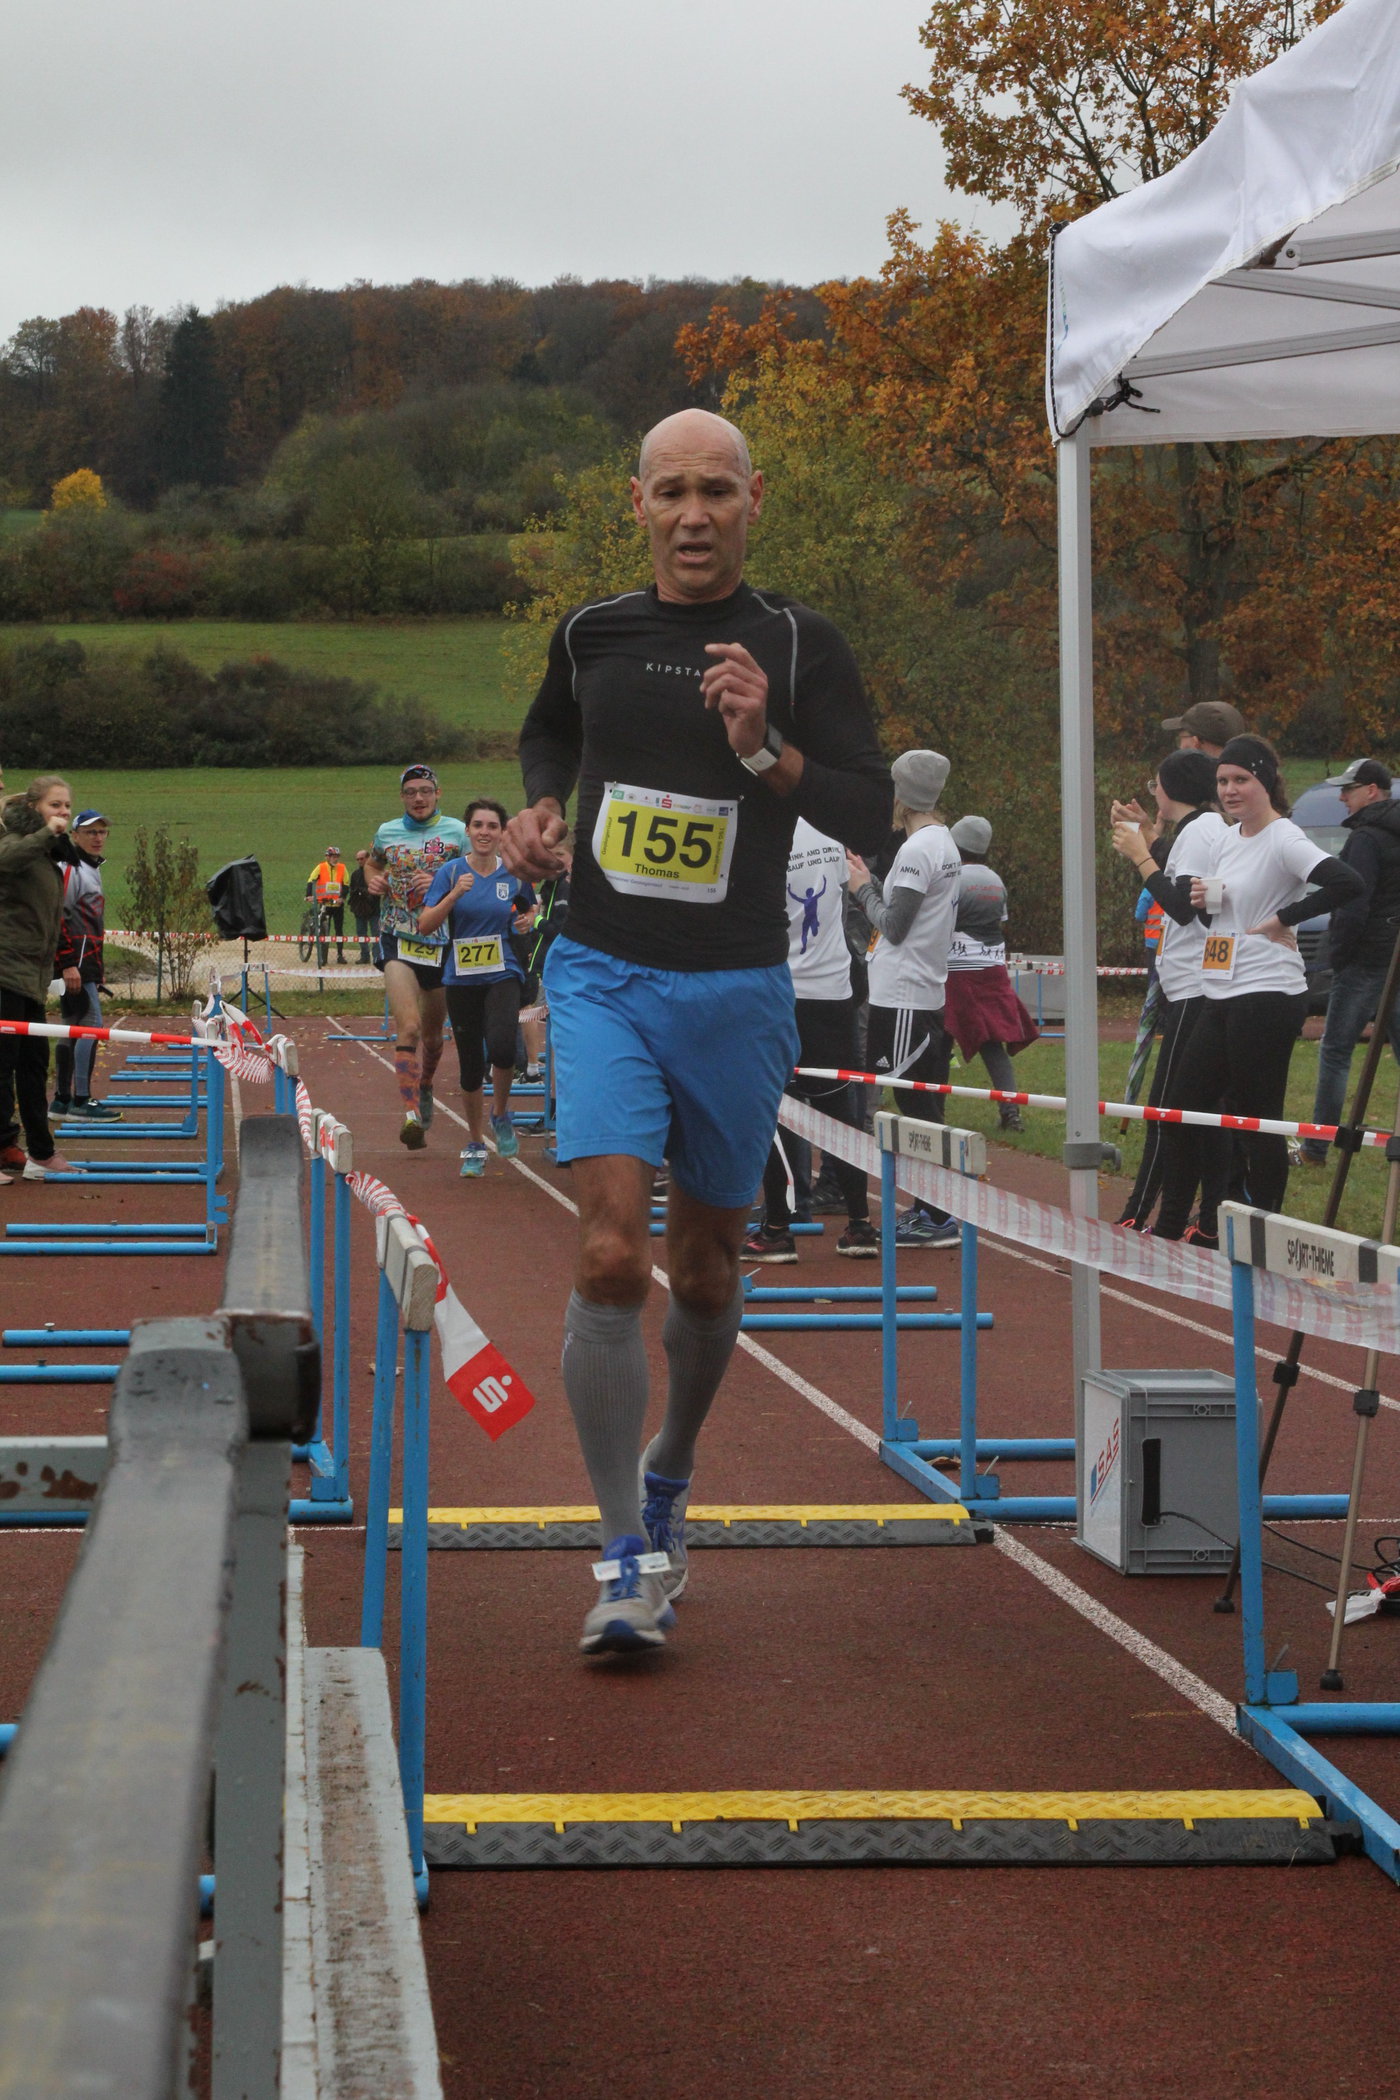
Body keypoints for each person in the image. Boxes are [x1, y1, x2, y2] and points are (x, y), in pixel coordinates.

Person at [501, 406, 891, 1655]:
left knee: (709, 1267)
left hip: (735, 988)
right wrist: (540, 808)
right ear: (636, 504)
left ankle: (669, 1467)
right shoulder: (592, 631)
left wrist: (764, 748)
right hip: (602, 973)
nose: (691, 515)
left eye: (714, 490)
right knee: (613, 1255)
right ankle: (625, 1553)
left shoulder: (798, 642)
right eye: (668, 491)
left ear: (751, 500)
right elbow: (548, 729)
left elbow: (867, 809)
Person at [1146, 736, 1363, 1244]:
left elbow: (1347, 883)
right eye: (1223, 780)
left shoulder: (1283, 837)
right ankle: (1200, 1221)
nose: (1230, 789)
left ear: (1264, 780)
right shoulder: (1226, 839)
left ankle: (1266, 1234)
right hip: (1220, 989)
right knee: (1180, 1110)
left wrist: (1284, 917)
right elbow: (1213, 915)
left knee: (1257, 1120)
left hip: (1268, 992)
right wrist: (1201, 899)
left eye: (1241, 779)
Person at [745, 817, 881, 1263]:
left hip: (782, 992)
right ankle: (860, 1224)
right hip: (834, 992)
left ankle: (778, 1228)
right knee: (842, 1114)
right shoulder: (831, 831)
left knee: (776, 1112)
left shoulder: (761, 832)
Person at [847, 751, 962, 1249]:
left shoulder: (918, 850)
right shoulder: (941, 840)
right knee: (920, 1100)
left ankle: (937, 1214)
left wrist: (861, 889)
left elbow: (894, 926)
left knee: (914, 1105)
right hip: (917, 990)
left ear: (903, 795)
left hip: (904, 995)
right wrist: (873, 884)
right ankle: (933, 1208)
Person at [1108, 751, 1226, 1231]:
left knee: (1166, 1111)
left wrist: (1139, 854)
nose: (1153, 791)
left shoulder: (1200, 831)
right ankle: (1186, 1219)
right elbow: (1183, 878)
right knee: (1192, 1113)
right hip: (1194, 986)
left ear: (1171, 788)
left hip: (1195, 987)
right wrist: (1151, 837)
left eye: (1155, 784)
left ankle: (1141, 1217)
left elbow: (1179, 906)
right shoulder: (1202, 827)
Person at [418, 797, 537, 1177]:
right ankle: (474, 1143)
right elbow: (425, 924)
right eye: (478, 825)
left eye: (492, 826)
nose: (485, 832)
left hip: (503, 972)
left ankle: (500, 1114)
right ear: (467, 831)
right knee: (470, 1066)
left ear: (502, 833)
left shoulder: (514, 874)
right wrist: (454, 895)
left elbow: (530, 909)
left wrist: (527, 920)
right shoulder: (451, 872)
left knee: (502, 1046)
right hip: (461, 977)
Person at [1302, 759, 1400, 1165]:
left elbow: (1353, 904)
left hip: (1363, 960)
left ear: (1372, 790)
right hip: (1394, 957)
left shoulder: (1364, 839)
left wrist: (1338, 956)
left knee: (1336, 1051)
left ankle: (1315, 1147)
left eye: (1349, 789)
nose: (1342, 797)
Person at [364, 767, 467, 1149]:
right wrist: (373, 879)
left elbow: (479, 875)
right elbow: (373, 863)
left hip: (442, 943)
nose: (419, 798)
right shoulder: (387, 832)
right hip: (398, 939)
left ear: (438, 793)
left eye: (425, 791)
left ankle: (425, 1085)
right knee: (407, 1027)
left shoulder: (458, 833)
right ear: (402, 797)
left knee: (433, 1038)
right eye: (411, 792)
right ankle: (411, 1116)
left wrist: (444, 883)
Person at [0, 775, 75, 1184]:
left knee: (33, 1065)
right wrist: (47, 834)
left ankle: (41, 1153)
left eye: (66, 806)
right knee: (2, 1065)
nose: (63, 812)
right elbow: (8, 860)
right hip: (4, 972)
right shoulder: (15, 841)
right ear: (34, 809)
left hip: (31, 976)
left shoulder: (46, 852)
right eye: (54, 805)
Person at [943, 814, 1039, 1134]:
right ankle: (1011, 1112)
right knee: (992, 1045)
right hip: (992, 968)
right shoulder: (996, 881)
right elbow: (998, 922)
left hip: (956, 971)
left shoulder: (953, 878)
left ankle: (932, 1111)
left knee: (939, 1039)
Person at [51, 808, 119, 1121]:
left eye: (102, 831)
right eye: (90, 832)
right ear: (75, 835)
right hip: (75, 963)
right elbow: (59, 916)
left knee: (73, 1026)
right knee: (91, 1025)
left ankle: (61, 1101)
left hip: (86, 961)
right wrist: (67, 964)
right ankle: (81, 1100)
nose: (97, 837)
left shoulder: (91, 867)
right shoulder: (72, 868)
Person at [306, 847, 349, 963]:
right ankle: (323, 957)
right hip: (324, 903)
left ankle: (340, 955)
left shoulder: (342, 868)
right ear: (328, 857)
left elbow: (346, 885)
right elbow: (311, 880)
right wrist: (309, 895)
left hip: (337, 905)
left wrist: (342, 897)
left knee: (339, 930)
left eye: (337, 857)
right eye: (333, 857)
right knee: (324, 931)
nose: (336, 859)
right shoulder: (321, 867)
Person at [1160, 700, 1247, 756]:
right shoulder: (1250, 776)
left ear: (1196, 743)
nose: (1180, 747)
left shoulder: (1182, 778)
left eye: (1180, 739)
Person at [347, 849, 381, 964]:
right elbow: (352, 890)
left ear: (367, 858)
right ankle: (364, 956)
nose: (359, 861)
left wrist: (365, 892)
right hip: (360, 909)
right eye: (357, 859)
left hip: (374, 909)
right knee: (361, 933)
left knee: (376, 934)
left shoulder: (375, 873)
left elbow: (378, 890)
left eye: (361, 859)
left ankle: (377, 957)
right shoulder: (355, 874)